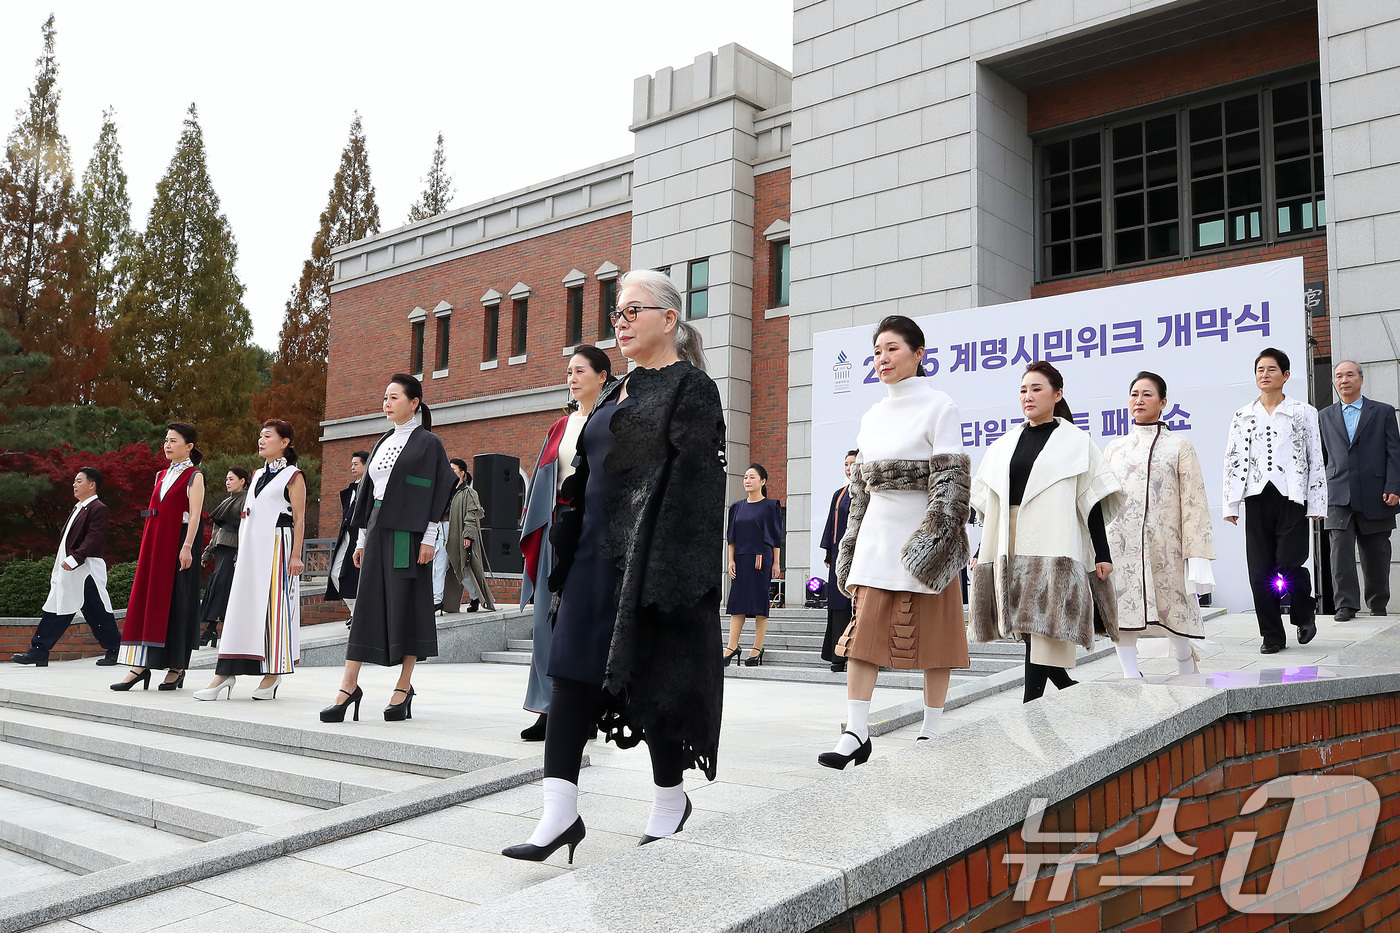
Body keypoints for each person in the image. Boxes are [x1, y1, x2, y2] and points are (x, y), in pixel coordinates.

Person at [503, 268, 725, 862]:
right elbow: (583, 473)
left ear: (669, 320)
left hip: (651, 567)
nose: (619, 322)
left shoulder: (690, 388)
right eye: (616, 312)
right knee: (570, 673)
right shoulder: (615, 389)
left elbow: (699, 490)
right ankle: (559, 814)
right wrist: (565, 543)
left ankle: (668, 799)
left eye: (633, 311)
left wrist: (669, 575)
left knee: (654, 682)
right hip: (591, 559)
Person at [821, 316, 970, 769]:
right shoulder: (871, 414)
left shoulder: (939, 405)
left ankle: (932, 729)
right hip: (876, 537)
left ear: (918, 353)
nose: (882, 359)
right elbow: (861, 491)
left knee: (937, 638)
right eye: (877, 351)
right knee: (862, 637)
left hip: (926, 536)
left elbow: (952, 482)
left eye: (892, 349)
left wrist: (933, 540)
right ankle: (856, 732)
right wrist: (851, 541)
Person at [969, 362, 1124, 703]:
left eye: (1036, 388)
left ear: (1058, 394)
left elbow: (1092, 500)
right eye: (1023, 390)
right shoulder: (1004, 444)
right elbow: (991, 502)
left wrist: (1102, 553)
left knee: (1043, 626)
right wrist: (982, 548)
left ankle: (1032, 703)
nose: (1028, 396)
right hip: (1008, 539)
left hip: (1051, 538)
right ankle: (1067, 689)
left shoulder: (1076, 441)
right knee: (1027, 627)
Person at [320, 374, 455, 723]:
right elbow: (368, 495)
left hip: (408, 537)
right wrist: (362, 539)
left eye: (395, 397)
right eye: (385, 397)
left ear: (415, 403)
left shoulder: (429, 444)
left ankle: (403, 686)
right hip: (378, 532)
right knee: (365, 607)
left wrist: (429, 537)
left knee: (408, 606)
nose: (387, 402)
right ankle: (348, 686)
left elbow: (436, 492)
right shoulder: (381, 442)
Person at [518, 346, 613, 741]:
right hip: (557, 529)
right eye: (569, 372)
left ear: (602, 376)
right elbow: (543, 480)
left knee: (586, 620)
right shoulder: (560, 426)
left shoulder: (612, 420)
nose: (572, 378)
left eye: (580, 371)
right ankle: (547, 707)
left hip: (594, 533)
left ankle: (587, 709)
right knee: (545, 622)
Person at [1103, 372, 1216, 678]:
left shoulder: (1179, 445)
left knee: (1173, 607)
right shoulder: (1115, 448)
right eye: (1134, 394)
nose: (1138, 400)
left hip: (1167, 543)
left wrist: (1197, 551)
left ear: (1163, 402)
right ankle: (1130, 673)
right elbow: (1102, 498)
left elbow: (1194, 500)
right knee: (1122, 608)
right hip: (1121, 544)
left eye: (1147, 394)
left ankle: (1185, 659)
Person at [1223, 348, 1326, 654]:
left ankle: (1304, 611)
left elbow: (1315, 457)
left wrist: (1317, 503)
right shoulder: (1242, 415)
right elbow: (1233, 459)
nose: (1264, 374)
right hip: (1256, 498)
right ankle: (1272, 635)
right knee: (1260, 571)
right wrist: (1231, 503)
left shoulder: (1304, 412)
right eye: (1259, 370)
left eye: (1271, 369)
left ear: (1285, 375)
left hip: (1291, 497)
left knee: (1290, 562)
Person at [195, 422, 306, 701]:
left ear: (284, 442)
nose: (261, 440)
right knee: (240, 610)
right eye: (259, 435)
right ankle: (225, 673)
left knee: (275, 607)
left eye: (267, 436)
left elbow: (300, 519)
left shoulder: (293, 476)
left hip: (278, 545)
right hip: (250, 550)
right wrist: (241, 554)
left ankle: (273, 672)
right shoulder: (256, 475)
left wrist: (296, 556)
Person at [113, 423, 206, 691]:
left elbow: (195, 515)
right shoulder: (160, 475)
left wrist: (187, 547)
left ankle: (177, 667)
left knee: (178, 601)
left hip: (178, 544)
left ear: (188, 446)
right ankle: (140, 666)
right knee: (148, 600)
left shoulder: (194, 476)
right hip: (154, 545)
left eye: (173, 440)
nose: (167, 445)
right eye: (166, 440)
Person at [11, 467, 122, 667]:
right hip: (70, 567)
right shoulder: (79, 507)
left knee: (95, 608)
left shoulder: (98, 508)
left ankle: (115, 647)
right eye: (74, 481)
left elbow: (94, 538)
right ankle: (39, 650)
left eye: (79, 481)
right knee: (57, 605)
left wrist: (75, 559)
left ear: (92, 484)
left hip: (85, 567)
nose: (74, 484)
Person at [1319, 360, 1400, 620]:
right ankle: (1346, 605)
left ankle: (1378, 605)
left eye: (1350, 375)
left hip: (1377, 493)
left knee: (1376, 552)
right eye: (1339, 376)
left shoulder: (1383, 412)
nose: (1344, 380)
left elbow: (1394, 453)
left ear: (1360, 379)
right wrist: (1318, 495)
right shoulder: (1324, 416)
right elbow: (1320, 458)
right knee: (1339, 551)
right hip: (1337, 493)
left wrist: (1393, 486)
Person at [723, 464, 784, 666]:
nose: (747, 481)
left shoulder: (771, 505)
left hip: (760, 559)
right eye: (745, 477)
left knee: (759, 603)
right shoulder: (737, 507)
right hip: (740, 558)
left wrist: (776, 562)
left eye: (752, 477)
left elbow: (776, 537)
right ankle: (732, 646)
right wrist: (730, 560)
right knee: (737, 603)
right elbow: (731, 536)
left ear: (763, 481)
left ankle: (757, 647)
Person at [197, 467, 250, 648]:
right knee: (217, 587)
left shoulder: (247, 500)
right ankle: (212, 629)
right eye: (226, 479)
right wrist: (208, 552)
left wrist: (239, 555)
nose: (227, 482)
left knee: (225, 589)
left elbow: (246, 530)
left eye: (231, 479)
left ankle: (214, 630)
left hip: (234, 552)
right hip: (222, 551)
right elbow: (216, 530)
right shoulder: (227, 501)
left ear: (242, 481)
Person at [819, 450, 859, 672]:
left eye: (853, 463)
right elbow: (831, 526)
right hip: (838, 558)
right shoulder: (840, 494)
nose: (848, 467)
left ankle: (861, 655)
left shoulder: (869, 492)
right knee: (838, 604)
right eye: (846, 463)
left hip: (861, 556)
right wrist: (829, 554)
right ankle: (838, 656)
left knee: (859, 604)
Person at [445, 460, 496, 614]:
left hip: (459, 534)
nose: (450, 471)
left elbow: (472, 515)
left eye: (453, 469)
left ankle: (477, 598)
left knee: (465, 567)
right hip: (443, 534)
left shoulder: (469, 493)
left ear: (463, 474)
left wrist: (467, 535)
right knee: (446, 569)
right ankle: (443, 602)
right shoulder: (446, 491)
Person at [326, 451, 369, 618]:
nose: (352, 467)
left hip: (361, 536)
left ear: (366, 465)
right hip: (346, 535)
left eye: (356, 464)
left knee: (354, 576)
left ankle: (359, 615)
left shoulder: (369, 488)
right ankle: (355, 612)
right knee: (336, 573)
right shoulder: (352, 490)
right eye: (351, 464)